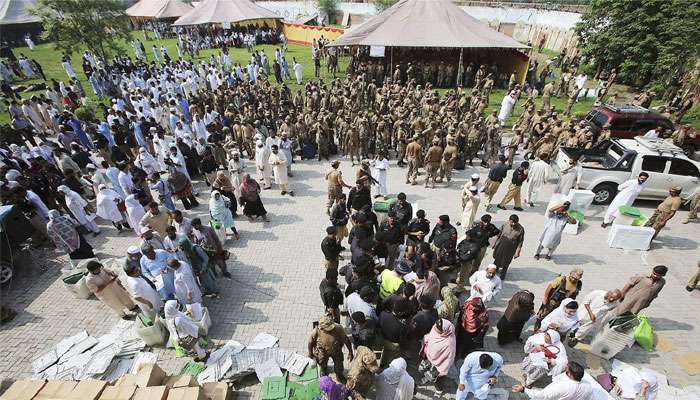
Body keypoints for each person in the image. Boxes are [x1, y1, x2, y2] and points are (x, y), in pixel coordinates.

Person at [307, 314, 354, 380]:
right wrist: (310, 353)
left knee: (339, 364)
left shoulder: (338, 328)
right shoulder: (316, 331)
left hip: (336, 350)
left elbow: (346, 339)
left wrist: (350, 352)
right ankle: (324, 370)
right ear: (322, 327)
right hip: (322, 352)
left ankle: (339, 374)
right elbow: (310, 342)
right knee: (322, 362)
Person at [512, 361, 592, 399]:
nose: (564, 371)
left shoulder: (562, 386)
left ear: (570, 374)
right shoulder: (588, 386)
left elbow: (542, 396)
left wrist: (523, 389)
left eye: (566, 371)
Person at [419, 319, 456, 394]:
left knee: (438, 379)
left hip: (439, 365)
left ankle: (439, 390)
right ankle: (427, 377)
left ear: (444, 331)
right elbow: (431, 336)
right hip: (429, 356)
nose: (435, 328)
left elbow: (449, 359)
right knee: (426, 369)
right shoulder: (436, 327)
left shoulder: (449, 343)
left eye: (438, 329)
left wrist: (443, 371)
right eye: (435, 326)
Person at [492, 214, 524, 280]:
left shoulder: (521, 229)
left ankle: (503, 273)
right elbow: (499, 234)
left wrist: (517, 252)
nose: (513, 224)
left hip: (511, 247)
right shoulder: (505, 224)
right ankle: (494, 270)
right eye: (512, 222)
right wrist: (494, 243)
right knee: (497, 257)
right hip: (502, 244)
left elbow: (520, 242)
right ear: (509, 220)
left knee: (507, 260)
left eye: (515, 222)